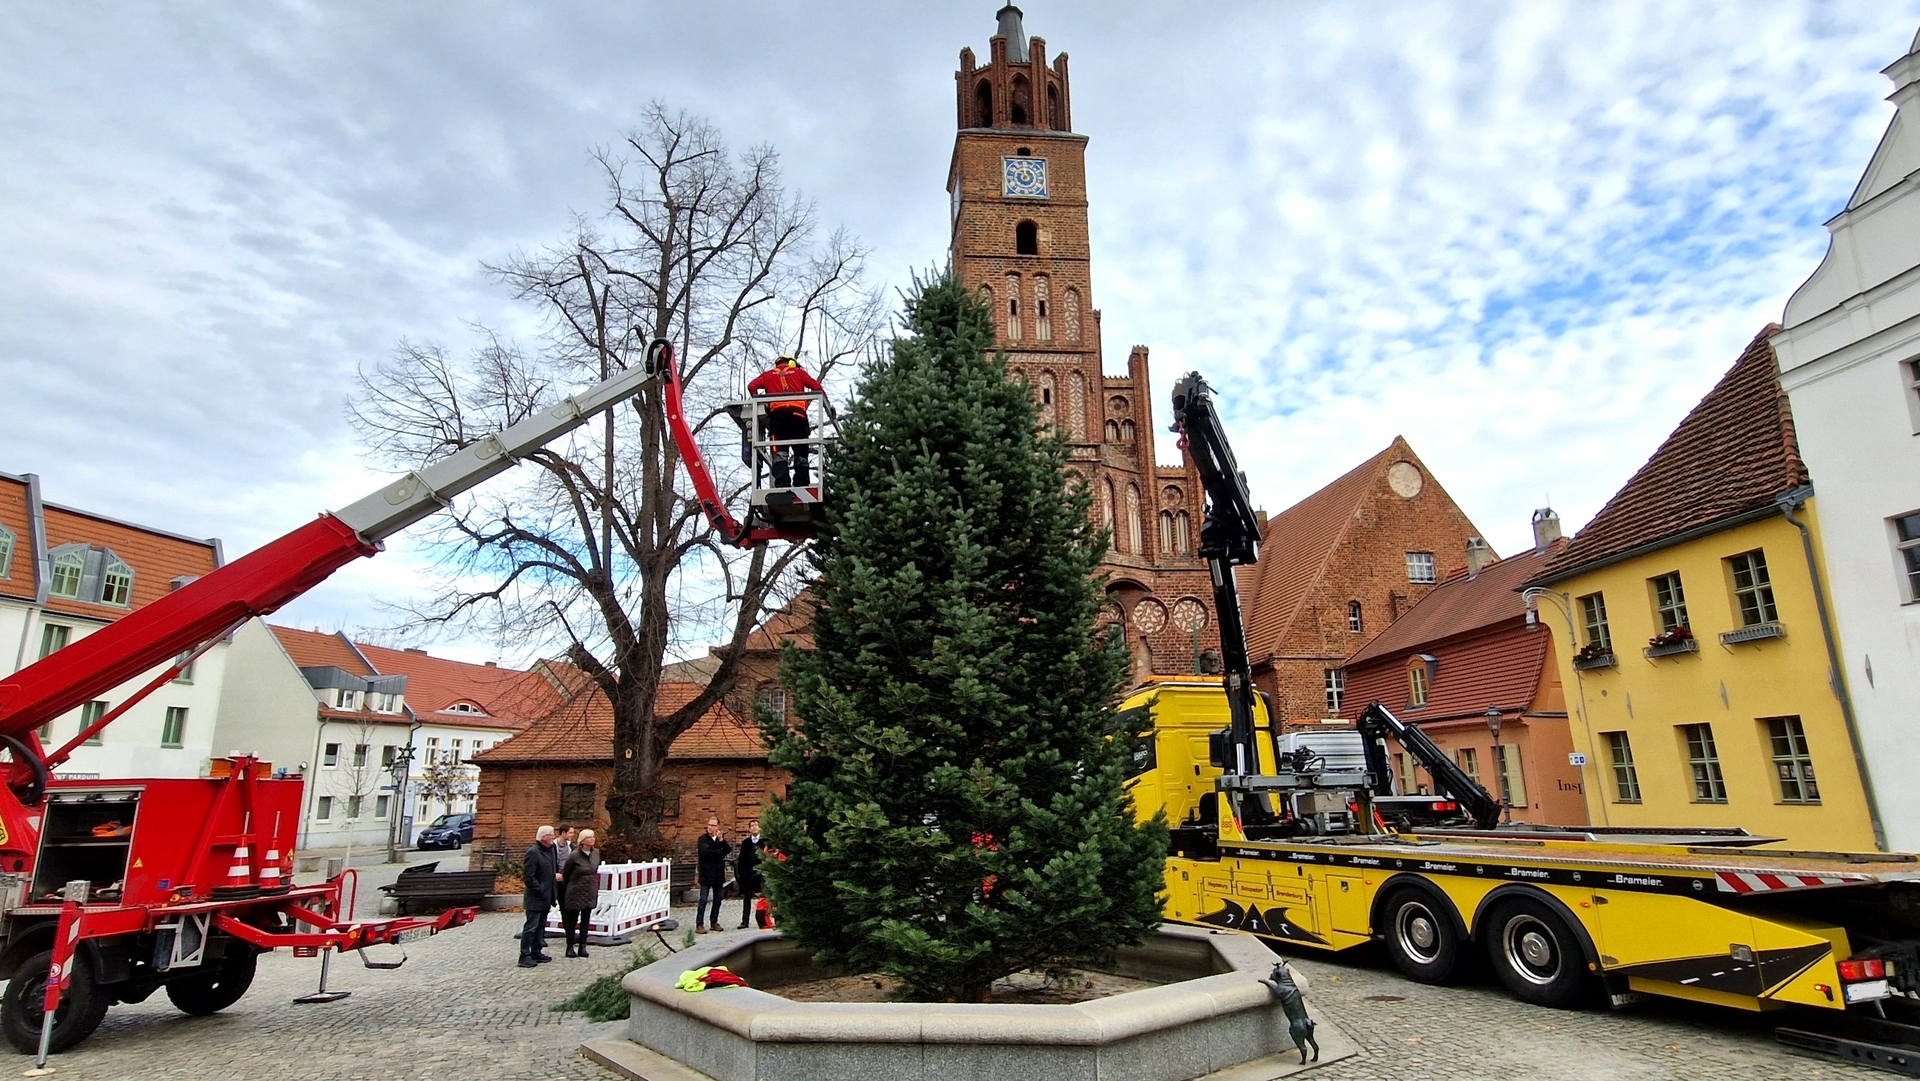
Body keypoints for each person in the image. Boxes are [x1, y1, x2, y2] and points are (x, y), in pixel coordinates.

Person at [745, 354, 824, 488]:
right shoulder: (799, 372)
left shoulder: (767, 375)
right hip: (799, 417)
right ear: (791, 363)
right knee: (801, 452)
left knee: (780, 452)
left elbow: (752, 386)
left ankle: (782, 484)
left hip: (778, 418)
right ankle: (802, 484)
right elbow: (817, 387)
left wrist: (759, 400)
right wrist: (829, 407)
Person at [518, 825, 559, 968]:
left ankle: (536, 951)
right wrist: (540, 889)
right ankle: (524, 955)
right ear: (543, 837)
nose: (553, 838)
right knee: (531, 927)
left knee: (541, 926)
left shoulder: (551, 850)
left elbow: (554, 868)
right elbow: (528, 877)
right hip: (536, 897)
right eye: (551, 835)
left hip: (547, 896)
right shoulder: (533, 852)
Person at [559, 828, 603, 958]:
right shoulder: (574, 855)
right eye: (589, 837)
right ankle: (570, 946)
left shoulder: (596, 853)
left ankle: (583, 945)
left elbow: (595, 870)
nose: (592, 839)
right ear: (583, 841)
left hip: (589, 890)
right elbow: (566, 873)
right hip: (576, 890)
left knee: (586, 919)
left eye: (593, 837)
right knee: (572, 920)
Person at [694, 818, 731, 934]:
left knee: (718, 899)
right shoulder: (702, 839)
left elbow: (727, 850)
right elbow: (706, 852)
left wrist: (721, 841)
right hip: (706, 873)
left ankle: (714, 921)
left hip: (718, 874)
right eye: (709, 825)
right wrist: (719, 849)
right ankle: (699, 924)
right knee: (703, 900)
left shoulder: (720, 840)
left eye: (713, 825)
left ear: (717, 827)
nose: (710, 827)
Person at [735, 819, 764, 930]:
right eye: (752, 826)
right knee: (747, 898)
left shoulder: (764, 841)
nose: (754, 827)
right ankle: (745, 921)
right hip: (748, 875)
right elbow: (741, 860)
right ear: (749, 829)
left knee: (764, 897)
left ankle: (763, 920)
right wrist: (742, 875)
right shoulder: (745, 843)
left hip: (761, 873)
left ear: (759, 827)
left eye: (756, 825)